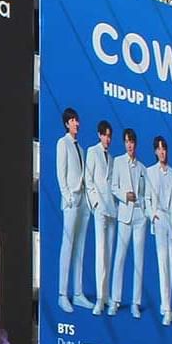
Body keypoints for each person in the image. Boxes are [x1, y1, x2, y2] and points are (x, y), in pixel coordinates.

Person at [53, 107, 89, 313]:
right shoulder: (63, 143)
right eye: (73, 120)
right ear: (67, 123)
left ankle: (78, 293)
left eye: (77, 120)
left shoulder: (80, 148)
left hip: (83, 200)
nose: (77, 123)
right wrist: (68, 197)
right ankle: (62, 294)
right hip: (71, 200)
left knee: (80, 247)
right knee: (67, 246)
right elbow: (61, 172)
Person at [109, 128, 148, 318]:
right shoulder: (118, 162)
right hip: (124, 214)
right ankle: (115, 300)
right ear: (124, 144)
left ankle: (135, 303)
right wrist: (125, 196)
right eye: (126, 141)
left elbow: (147, 194)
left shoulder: (142, 168)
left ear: (136, 143)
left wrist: (146, 212)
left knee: (139, 260)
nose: (129, 144)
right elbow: (113, 187)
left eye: (132, 141)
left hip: (140, 216)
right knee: (120, 257)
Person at [84, 120, 117, 315]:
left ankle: (107, 295)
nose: (108, 139)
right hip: (99, 209)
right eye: (105, 135)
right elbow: (89, 180)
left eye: (110, 136)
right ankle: (98, 298)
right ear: (99, 135)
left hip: (112, 210)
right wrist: (95, 203)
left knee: (109, 254)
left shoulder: (112, 159)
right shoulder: (92, 152)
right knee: (100, 253)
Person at [147, 135, 172, 326]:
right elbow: (146, 198)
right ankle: (167, 310)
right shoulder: (150, 172)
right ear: (155, 151)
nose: (162, 151)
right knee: (162, 265)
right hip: (159, 219)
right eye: (158, 148)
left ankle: (166, 304)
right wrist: (153, 214)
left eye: (164, 148)